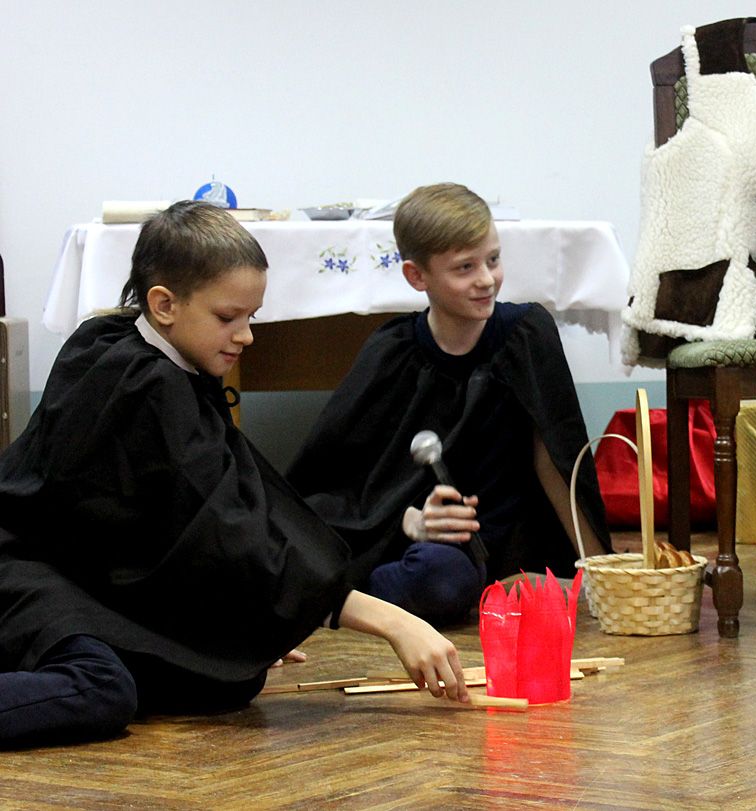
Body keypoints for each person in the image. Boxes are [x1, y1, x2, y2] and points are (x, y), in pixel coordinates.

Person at [0, 201, 469, 749]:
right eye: (228, 318)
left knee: (231, 674)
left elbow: (164, 531)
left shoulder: (148, 356)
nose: (245, 336)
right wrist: (391, 620)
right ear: (164, 304)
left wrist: (251, 622)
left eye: (251, 318)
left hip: (73, 578)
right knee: (101, 688)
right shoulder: (139, 383)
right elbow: (223, 528)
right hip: (24, 577)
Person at [288, 183, 611, 626]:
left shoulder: (526, 333)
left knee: (500, 583)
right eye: (465, 268)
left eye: (493, 260)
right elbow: (344, 479)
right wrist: (412, 522)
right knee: (438, 577)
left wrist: (599, 572)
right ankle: (353, 604)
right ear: (416, 276)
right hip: (421, 545)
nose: (486, 279)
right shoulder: (392, 352)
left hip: (506, 539)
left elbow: (555, 456)